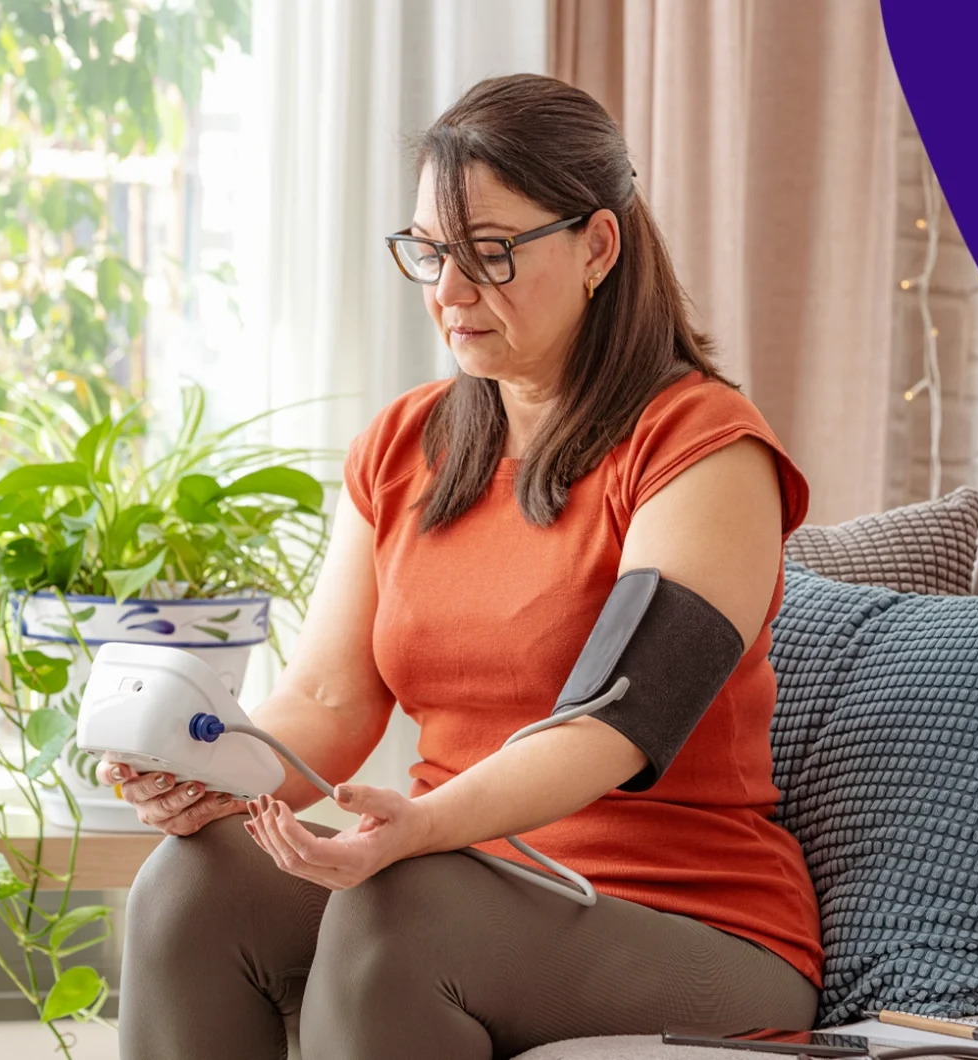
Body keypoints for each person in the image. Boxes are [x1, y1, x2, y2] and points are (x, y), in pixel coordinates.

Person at [100, 73, 821, 1060]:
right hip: (461, 882)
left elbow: (616, 718)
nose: (448, 291)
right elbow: (327, 697)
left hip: (689, 920)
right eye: (431, 253)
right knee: (195, 884)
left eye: (489, 254)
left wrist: (422, 825)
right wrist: (211, 777)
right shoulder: (404, 444)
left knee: (400, 912)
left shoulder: (703, 449)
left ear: (598, 245)